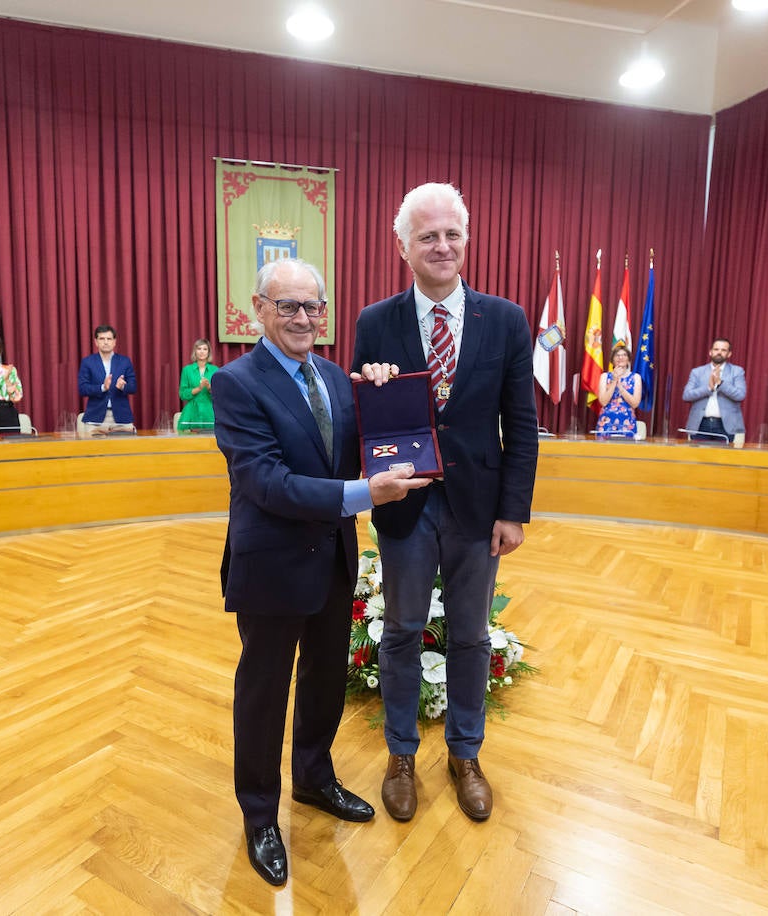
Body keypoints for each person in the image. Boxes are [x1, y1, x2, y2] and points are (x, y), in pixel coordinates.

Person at [215, 257, 429, 886]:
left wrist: (385, 388)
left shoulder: (336, 377)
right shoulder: (236, 383)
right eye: (288, 306)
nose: (303, 318)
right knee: (263, 695)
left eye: (313, 306)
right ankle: (259, 815)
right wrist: (364, 495)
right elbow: (266, 482)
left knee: (325, 683)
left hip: (334, 561)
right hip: (272, 569)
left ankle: (312, 779)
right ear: (258, 308)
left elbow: (375, 443)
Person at [351, 182, 539, 825]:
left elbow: (521, 421)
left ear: (467, 237)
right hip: (405, 505)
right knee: (401, 631)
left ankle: (466, 754)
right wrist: (370, 387)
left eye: (451, 233)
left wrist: (513, 510)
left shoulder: (507, 320)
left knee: (471, 634)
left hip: (478, 509)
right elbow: (365, 424)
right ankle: (401, 753)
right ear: (403, 246)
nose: (442, 245)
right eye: (427, 235)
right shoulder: (374, 323)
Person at [683, 337, 746, 443]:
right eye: (716, 349)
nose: (719, 353)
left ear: (729, 354)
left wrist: (721, 384)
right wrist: (708, 388)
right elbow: (686, 395)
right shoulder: (697, 372)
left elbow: (740, 395)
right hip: (701, 424)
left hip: (725, 426)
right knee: (698, 458)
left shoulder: (737, 372)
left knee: (723, 459)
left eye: (723, 350)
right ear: (710, 352)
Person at [77, 325, 137, 435]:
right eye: (102, 339)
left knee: (125, 451)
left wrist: (123, 386)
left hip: (121, 418)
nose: (105, 342)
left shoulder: (124, 361)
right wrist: (102, 387)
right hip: (95, 418)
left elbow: (133, 387)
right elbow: (82, 389)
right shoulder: (88, 362)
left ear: (114, 342)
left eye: (109, 339)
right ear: (96, 342)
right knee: (94, 451)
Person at [594, 344, 642, 439]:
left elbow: (635, 403)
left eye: (624, 355)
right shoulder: (604, 377)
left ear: (628, 359)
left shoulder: (636, 377)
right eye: (617, 355)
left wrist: (620, 386)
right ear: (612, 360)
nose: (621, 357)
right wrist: (614, 381)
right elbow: (603, 401)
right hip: (606, 423)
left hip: (627, 423)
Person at [177, 337, 218, 432]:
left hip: (209, 412)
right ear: (195, 351)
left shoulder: (215, 370)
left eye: (205, 349)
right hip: (191, 412)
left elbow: (220, 395)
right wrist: (199, 388)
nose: (202, 352)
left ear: (209, 352)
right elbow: (183, 394)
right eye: (199, 349)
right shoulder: (187, 370)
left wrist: (209, 388)